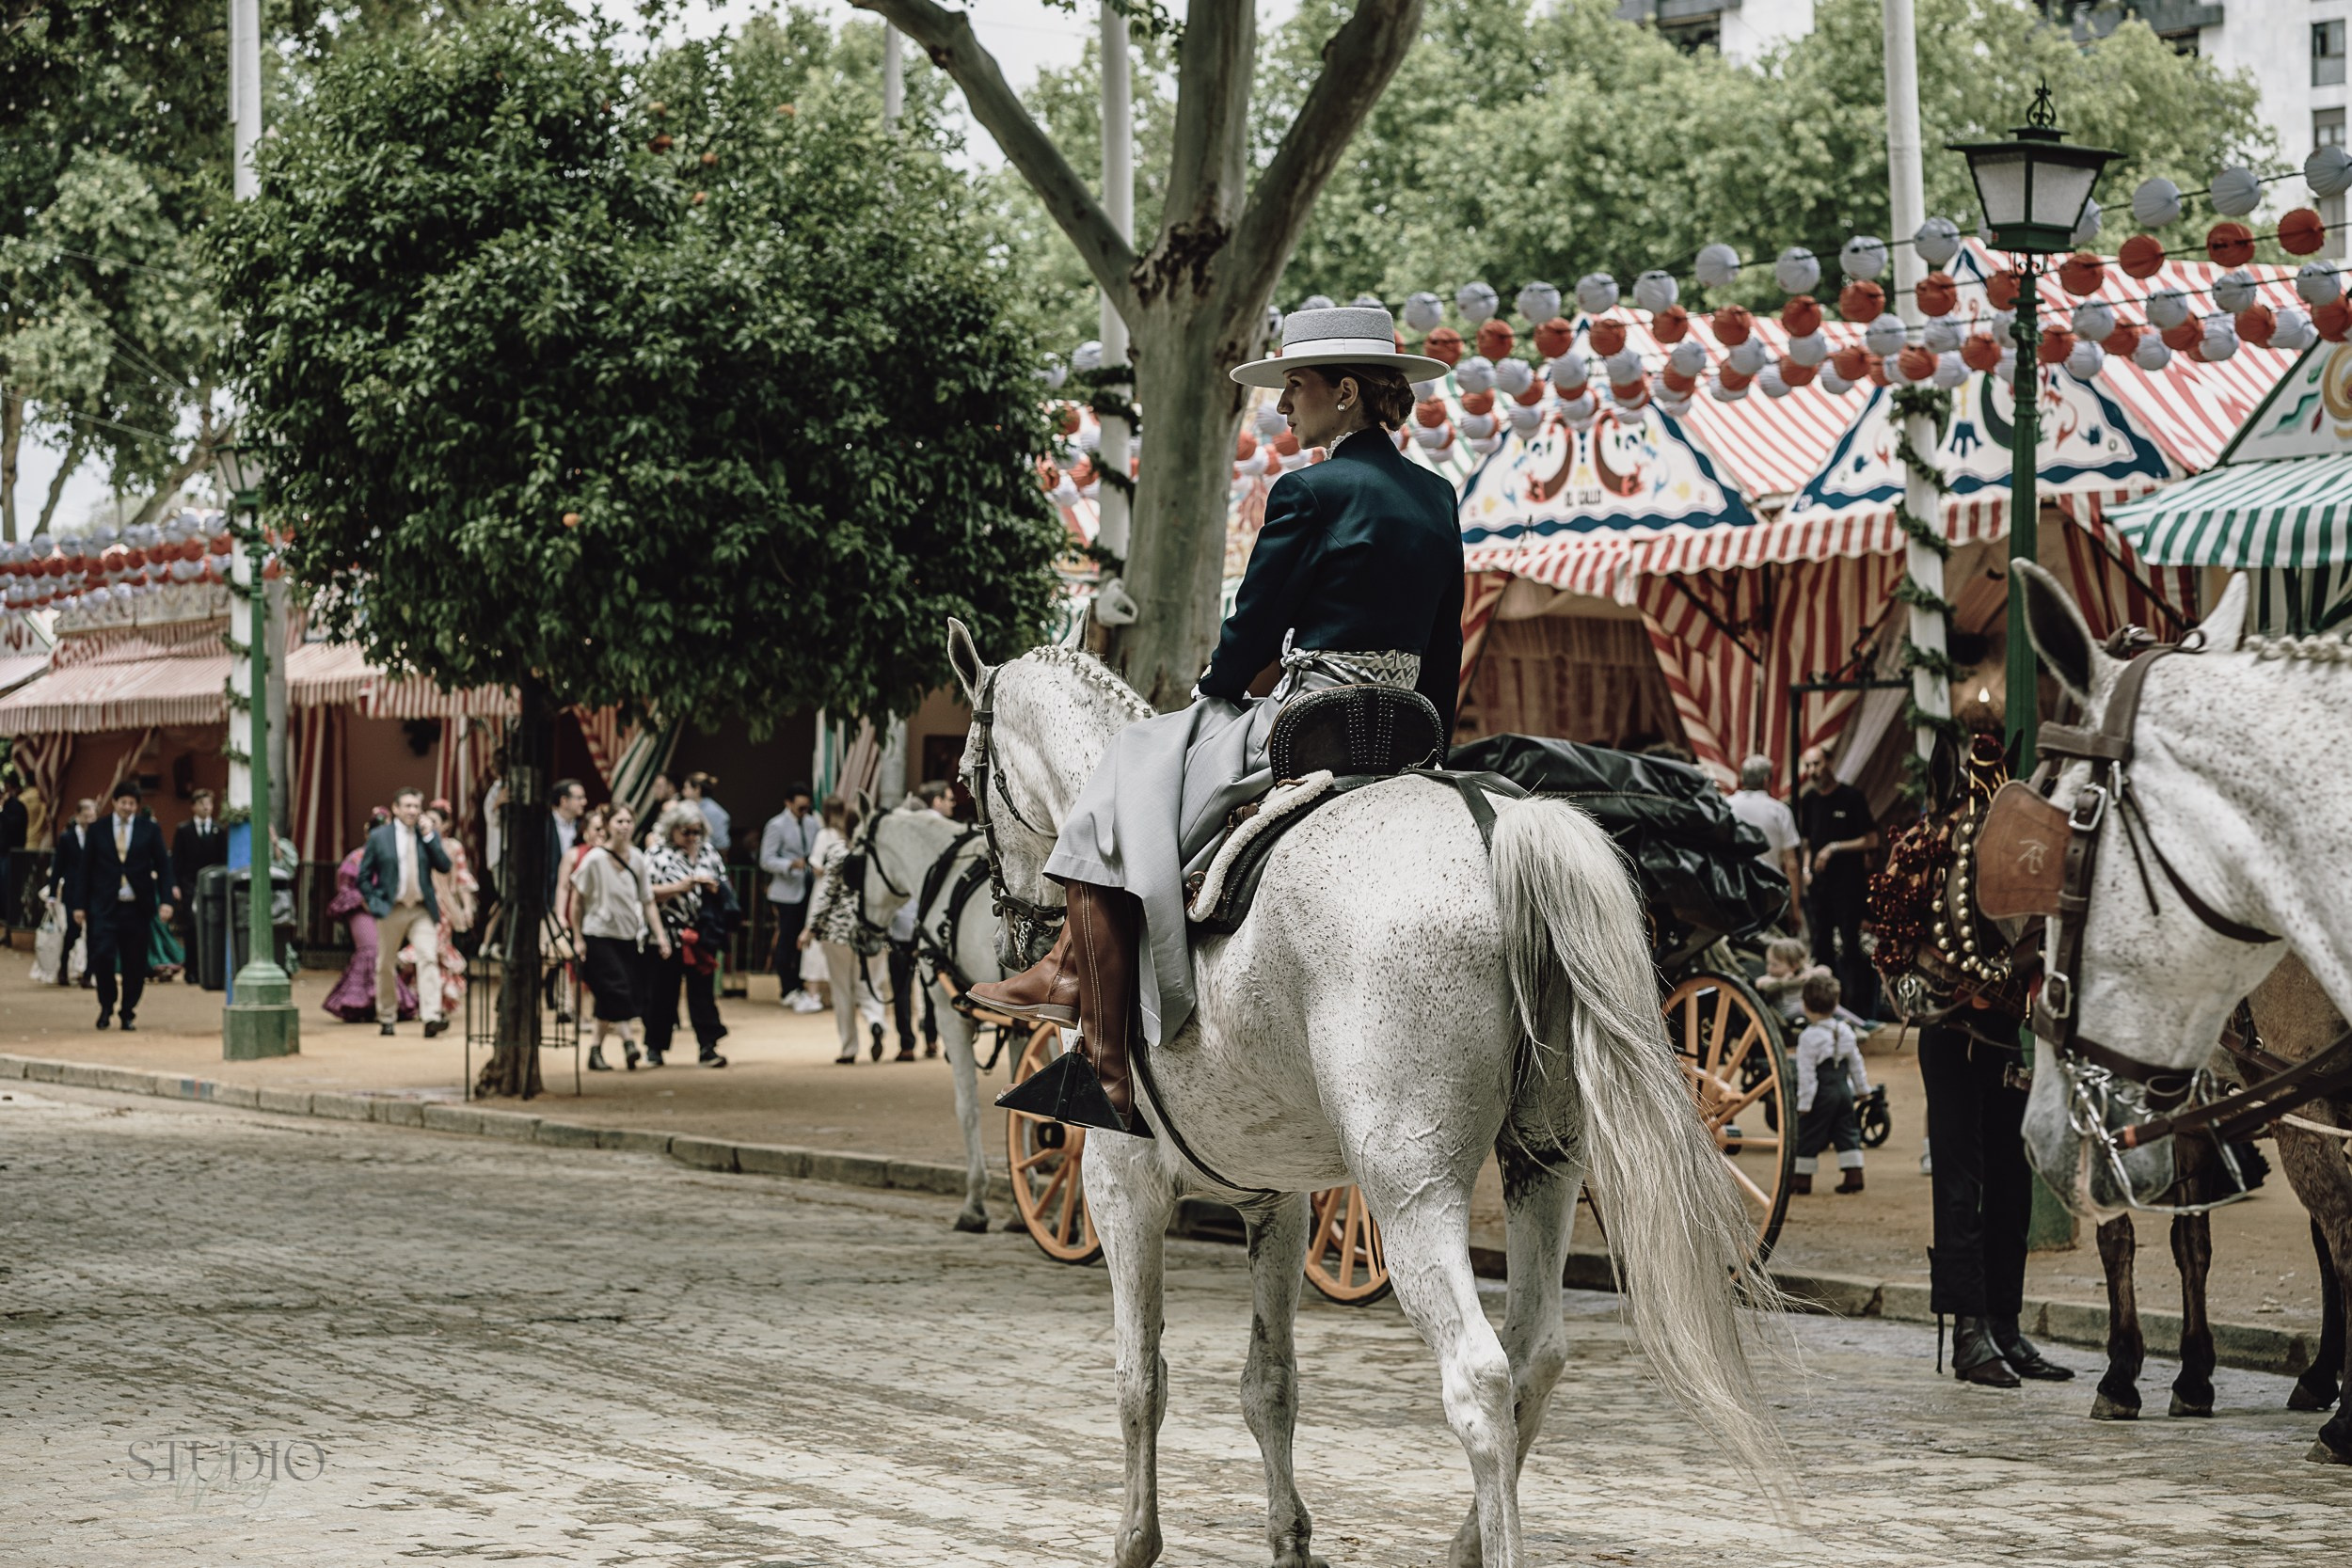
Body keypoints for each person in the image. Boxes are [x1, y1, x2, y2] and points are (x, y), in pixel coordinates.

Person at [972, 305, 1459, 1132]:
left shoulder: (1309, 489)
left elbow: (1258, 621)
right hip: (1409, 725)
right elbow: (1445, 636)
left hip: (1315, 715)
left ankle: (1084, 1013)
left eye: (1294, 388)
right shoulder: (1437, 494)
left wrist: (1217, 681)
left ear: (1345, 393)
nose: (1282, 406)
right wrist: (1434, 737)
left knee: (1132, 761)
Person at [1918, 1007, 2074, 1387]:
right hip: (1951, 1031)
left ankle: (2003, 1325)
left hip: (2003, 1040)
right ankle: (1969, 1333)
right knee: (1960, 1190)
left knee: (2013, 1183)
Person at [570, 802, 666, 1071]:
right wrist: (577, 937)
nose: (624, 827)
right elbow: (577, 900)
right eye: (619, 822)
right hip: (597, 933)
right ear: (608, 824)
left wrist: (660, 936)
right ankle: (629, 1042)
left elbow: (647, 901)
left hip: (627, 934)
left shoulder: (637, 858)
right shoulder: (595, 859)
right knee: (617, 988)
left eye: (628, 822)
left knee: (608, 995)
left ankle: (595, 1051)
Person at [71, 784, 173, 1029]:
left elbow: (163, 865)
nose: (127, 807)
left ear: (137, 806)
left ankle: (128, 1011)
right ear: (115, 802)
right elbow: (85, 869)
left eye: (132, 803)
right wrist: (79, 905)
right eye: (123, 802)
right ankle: (107, 1004)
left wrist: (167, 900)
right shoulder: (98, 830)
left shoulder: (149, 829)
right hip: (105, 906)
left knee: (135, 962)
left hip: (136, 907)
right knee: (102, 955)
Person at [800, 796, 889, 1065]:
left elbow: (826, 894)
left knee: (842, 989)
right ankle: (876, 1021)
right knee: (872, 984)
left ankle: (849, 1048)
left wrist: (811, 928)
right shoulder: (878, 855)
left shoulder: (838, 852)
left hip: (838, 932)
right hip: (871, 929)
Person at [358, 787, 453, 1038]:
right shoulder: (380, 837)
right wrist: (374, 902)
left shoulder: (426, 836)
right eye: (407, 806)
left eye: (416, 806)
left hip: (421, 908)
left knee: (428, 958)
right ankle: (387, 1016)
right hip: (392, 907)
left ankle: (431, 1016)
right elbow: (364, 876)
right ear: (396, 809)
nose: (412, 811)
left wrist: (430, 836)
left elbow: (444, 866)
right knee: (386, 965)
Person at [643, 801, 729, 1067]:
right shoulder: (657, 854)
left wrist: (714, 889)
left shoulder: (708, 853)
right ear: (672, 830)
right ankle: (655, 1047)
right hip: (667, 932)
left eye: (696, 832)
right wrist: (679, 887)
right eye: (686, 832)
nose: (692, 838)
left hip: (701, 932)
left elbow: (724, 884)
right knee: (662, 993)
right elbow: (645, 893)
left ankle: (707, 1046)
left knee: (702, 992)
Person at [1796, 744, 1879, 1020]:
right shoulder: (1808, 800)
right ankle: (1824, 1007)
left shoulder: (1851, 797)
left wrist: (1835, 847)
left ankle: (1858, 1010)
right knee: (1820, 946)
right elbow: (1807, 841)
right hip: (1819, 886)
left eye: (1816, 764)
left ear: (1829, 762)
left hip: (1848, 885)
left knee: (1850, 944)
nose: (1812, 771)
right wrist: (1806, 868)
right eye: (1807, 766)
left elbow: (1871, 839)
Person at [324, 809, 417, 1023]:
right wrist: (363, 900)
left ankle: (383, 1004)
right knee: (370, 951)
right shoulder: (355, 858)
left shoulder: (396, 857)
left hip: (386, 910)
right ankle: (362, 1003)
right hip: (360, 911)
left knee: (385, 956)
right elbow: (345, 887)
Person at [1791, 973, 1870, 1196]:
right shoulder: (1844, 1030)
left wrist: (1804, 1104)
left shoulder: (1808, 1037)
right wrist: (1863, 1089)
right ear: (1836, 1004)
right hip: (1843, 1090)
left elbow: (1806, 1074)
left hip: (1821, 1093)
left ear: (1805, 1005)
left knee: (1808, 1133)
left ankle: (1801, 1180)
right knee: (1846, 1131)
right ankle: (1854, 1175)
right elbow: (1856, 1062)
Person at [412, 802, 478, 1022]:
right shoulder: (418, 842)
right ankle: (421, 1002)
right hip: (421, 903)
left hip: (444, 906)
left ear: (446, 825)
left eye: (434, 822)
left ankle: (436, 1005)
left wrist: (467, 907)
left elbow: (461, 878)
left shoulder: (452, 847)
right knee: (424, 953)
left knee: (437, 951)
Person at [757, 783, 820, 1008]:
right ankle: (788, 987)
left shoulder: (813, 823)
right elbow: (766, 860)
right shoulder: (776, 825)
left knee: (805, 939)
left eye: (806, 808)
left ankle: (801, 985)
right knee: (787, 939)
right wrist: (790, 865)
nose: (804, 812)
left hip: (809, 887)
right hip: (787, 891)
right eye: (800, 807)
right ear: (788, 803)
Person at [1725, 754, 1803, 934]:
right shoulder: (1779, 811)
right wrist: (1795, 909)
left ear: (1742, 778)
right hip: (1771, 896)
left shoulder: (1725, 807)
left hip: (1733, 893)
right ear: (1767, 780)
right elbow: (1791, 865)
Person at [170, 788, 229, 960]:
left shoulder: (219, 830)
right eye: (202, 804)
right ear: (193, 806)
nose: (206, 808)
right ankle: (192, 967)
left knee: (213, 923)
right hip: (189, 883)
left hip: (213, 885)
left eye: (209, 804)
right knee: (191, 925)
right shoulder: (183, 830)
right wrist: (175, 884)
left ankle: (211, 962)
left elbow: (223, 859)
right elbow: (176, 860)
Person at [50, 797, 98, 985]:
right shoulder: (67, 838)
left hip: (94, 892)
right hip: (73, 891)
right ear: (77, 816)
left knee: (94, 934)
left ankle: (88, 973)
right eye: (85, 816)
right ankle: (63, 966)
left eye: (92, 816)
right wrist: (53, 893)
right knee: (73, 931)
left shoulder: (99, 838)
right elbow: (58, 867)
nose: (88, 820)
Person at [544, 778, 587, 904]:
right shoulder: (544, 826)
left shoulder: (583, 828)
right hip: (549, 897)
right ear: (564, 801)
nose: (584, 802)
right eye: (579, 798)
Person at [682, 771, 731, 856]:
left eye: (686, 788)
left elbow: (722, 845)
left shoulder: (713, 812)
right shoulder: (691, 807)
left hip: (707, 858)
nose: (683, 792)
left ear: (697, 789)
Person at [0, 774, 27, 927]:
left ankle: (10, 921)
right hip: (4, 853)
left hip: (12, 853)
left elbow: (14, 828)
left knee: (8, 890)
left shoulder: (16, 806)